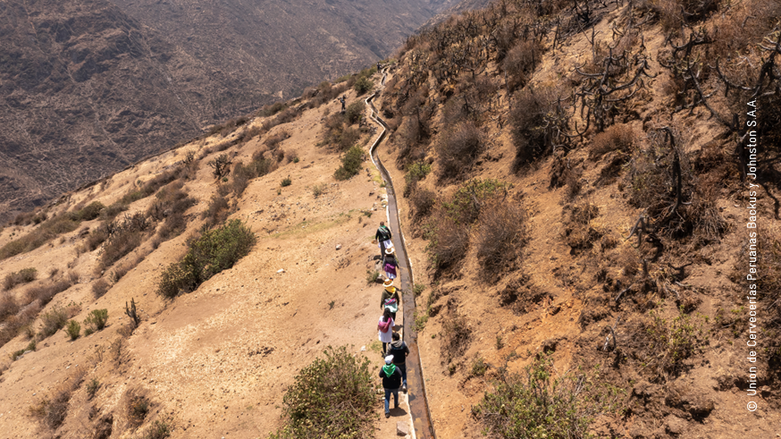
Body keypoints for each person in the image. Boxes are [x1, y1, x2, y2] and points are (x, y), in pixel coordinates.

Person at [379, 354, 402, 418]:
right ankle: (396, 404)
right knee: (396, 395)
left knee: (387, 398)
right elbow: (400, 375)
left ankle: (387, 412)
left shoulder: (383, 368)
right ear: (391, 361)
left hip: (386, 386)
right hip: (395, 385)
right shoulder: (396, 368)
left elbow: (380, 375)